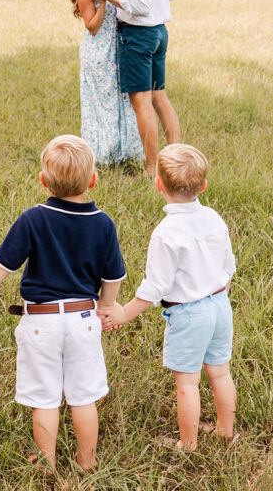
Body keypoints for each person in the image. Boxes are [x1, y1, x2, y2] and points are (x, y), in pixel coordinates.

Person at [0, 135, 125, 474]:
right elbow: (112, 277)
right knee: (84, 397)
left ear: (43, 181)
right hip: (84, 318)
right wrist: (107, 305)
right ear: (93, 180)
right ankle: (87, 460)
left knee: (44, 398)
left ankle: (45, 461)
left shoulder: (33, 219)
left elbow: (0, 267)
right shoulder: (103, 223)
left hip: (41, 321)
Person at [98, 144, 237, 451]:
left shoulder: (166, 232)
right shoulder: (214, 217)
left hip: (189, 314)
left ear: (158, 184)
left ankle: (187, 445)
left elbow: (156, 286)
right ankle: (226, 430)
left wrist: (124, 313)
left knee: (188, 383)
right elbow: (229, 266)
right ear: (203, 186)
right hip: (220, 305)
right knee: (220, 372)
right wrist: (215, 293)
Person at [88, 0, 181, 174]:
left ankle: (152, 169)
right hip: (159, 34)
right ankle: (178, 158)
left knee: (142, 103)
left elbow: (140, 5)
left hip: (139, 36)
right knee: (160, 98)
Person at [64, 0, 143, 165]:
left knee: (119, 99)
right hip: (98, 51)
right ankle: (103, 154)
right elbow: (91, 26)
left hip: (114, 47)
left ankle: (124, 151)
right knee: (102, 103)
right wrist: (104, 2)